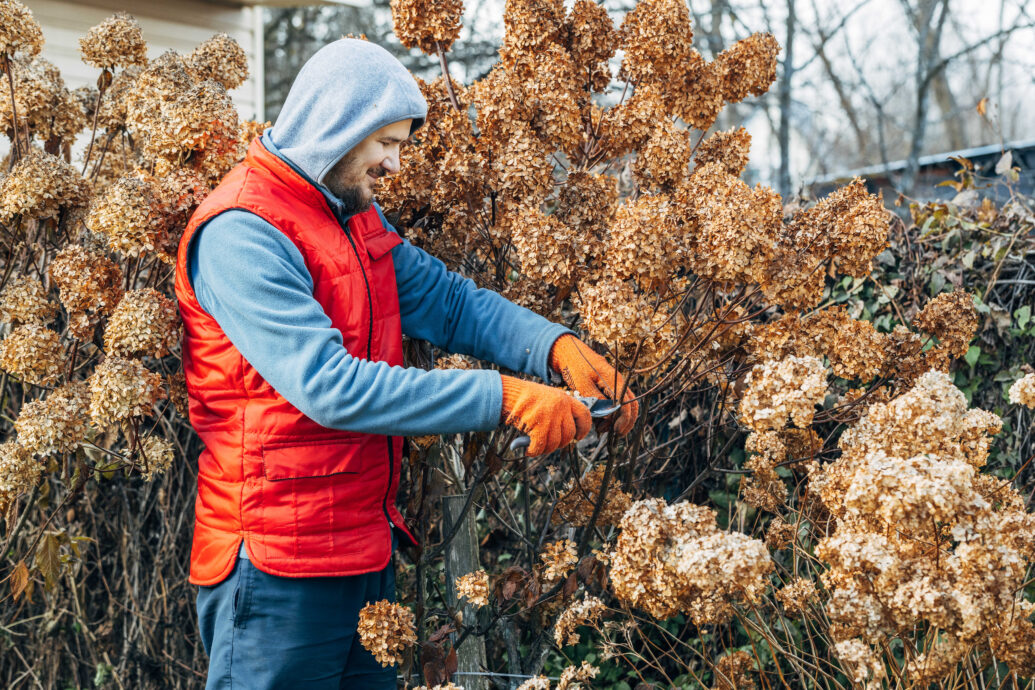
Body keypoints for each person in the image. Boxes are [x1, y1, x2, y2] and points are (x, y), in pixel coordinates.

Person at [173, 38, 638, 689]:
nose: (396, 163)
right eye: (384, 142)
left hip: (362, 552)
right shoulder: (241, 232)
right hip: (274, 568)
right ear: (337, 126)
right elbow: (328, 388)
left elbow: (450, 303)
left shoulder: (350, 218)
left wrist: (554, 347)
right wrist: (503, 397)